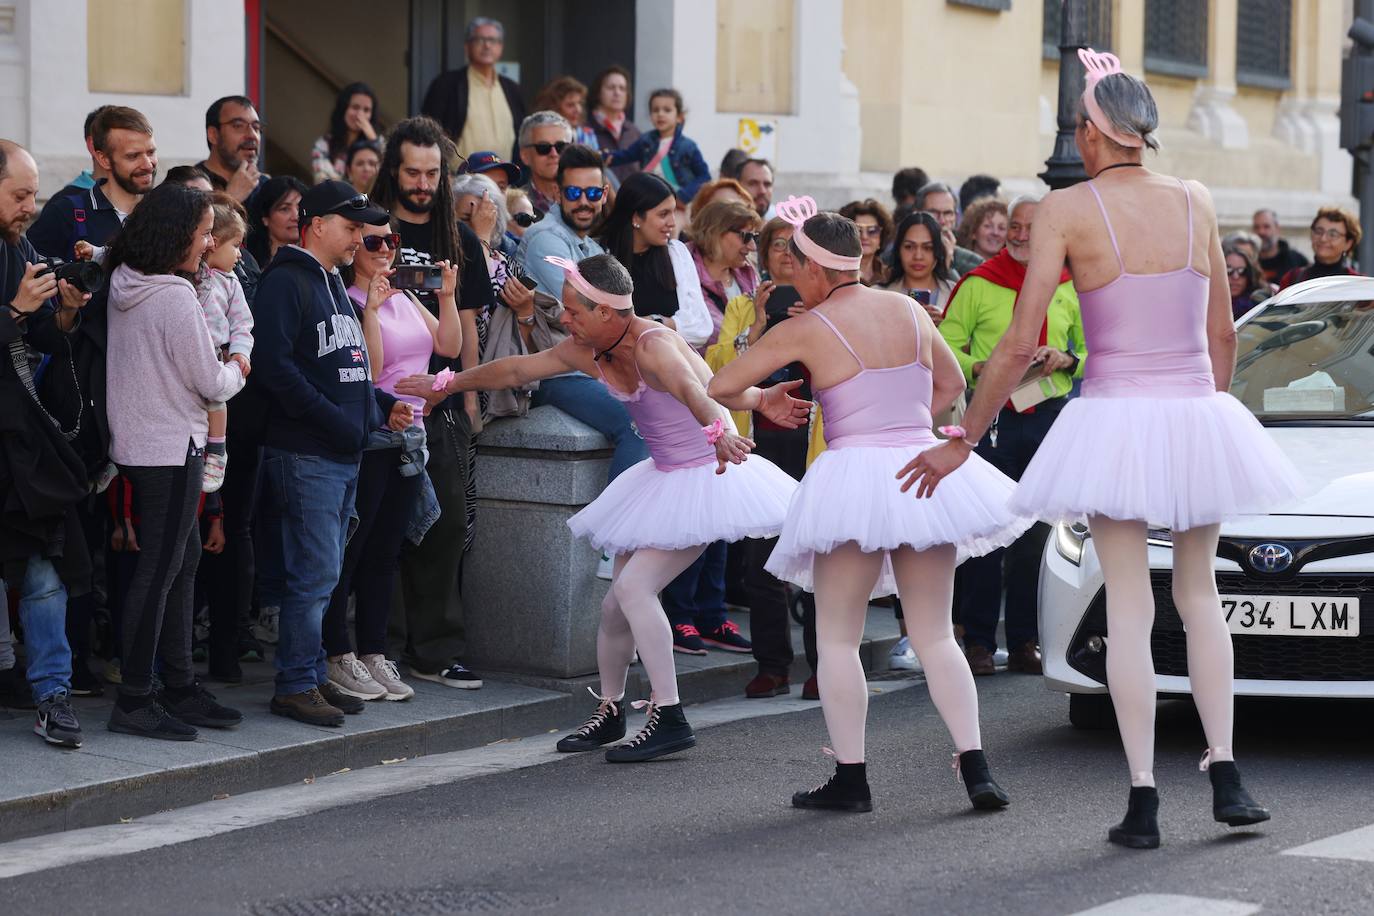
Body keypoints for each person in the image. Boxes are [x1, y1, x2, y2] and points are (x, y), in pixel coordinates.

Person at [899, 49, 1305, 848]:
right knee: (1200, 595)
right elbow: (1221, 331)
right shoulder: (1196, 198)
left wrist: (962, 438)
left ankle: (1145, 795)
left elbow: (1019, 343)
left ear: (1091, 131)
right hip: (1193, 408)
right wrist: (1204, 415)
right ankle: (1225, 769)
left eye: (1078, 129)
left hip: (1117, 415)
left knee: (1129, 600)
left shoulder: (1067, 211)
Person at [398, 253, 804, 761]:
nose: (563, 319)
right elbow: (520, 368)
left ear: (607, 313)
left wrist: (719, 430)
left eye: (572, 311)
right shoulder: (587, 348)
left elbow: (692, 387)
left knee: (634, 589)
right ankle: (610, 712)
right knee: (614, 605)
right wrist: (447, 385)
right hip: (662, 477)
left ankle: (670, 714)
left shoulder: (653, 345)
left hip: (705, 478)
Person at [708, 198, 1025, 814]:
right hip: (918, 470)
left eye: (797, 265)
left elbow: (719, 385)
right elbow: (953, 384)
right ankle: (976, 767)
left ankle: (852, 778)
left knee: (839, 639)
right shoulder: (907, 308)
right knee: (936, 635)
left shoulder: (803, 326)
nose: (792, 275)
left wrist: (767, 399)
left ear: (821, 270)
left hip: (852, 476)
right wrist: (907, 425)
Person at [104, 182, 248, 740]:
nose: (209, 240)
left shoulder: (125, 279)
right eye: (203, 232)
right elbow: (211, 380)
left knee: (180, 561)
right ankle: (137, 698)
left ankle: (179, 685)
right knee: (161, 570)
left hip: (144, 443)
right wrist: (238, 364)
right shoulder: (172, 295)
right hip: (171, 446)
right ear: (178, 236)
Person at [252, 179, 397, 726]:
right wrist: (339, 421)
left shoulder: (333, 281)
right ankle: (293, 684)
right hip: (307, 451)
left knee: (326, 573)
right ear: (316, 224)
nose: (359, 237)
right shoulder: (286, 281)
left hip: (339, 448)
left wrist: (380, 405)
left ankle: (311, 676)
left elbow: (346, 367)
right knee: (311, 576)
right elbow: (275, 368)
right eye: (352, 227)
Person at [937, 194, 1085, 677]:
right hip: (992, 415)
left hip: (1047, 414)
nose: (1022, 235)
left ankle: (1024, 640)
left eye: (1031, 227)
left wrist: (1067, 359)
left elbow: (1088, 347)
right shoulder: (978, 283)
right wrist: (980, 365)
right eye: (1016, 227)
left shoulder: (1069, 285)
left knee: (1038, 534)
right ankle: (978, 641)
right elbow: (945, 347)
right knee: (987, 529)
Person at [371, 116, 494, 689]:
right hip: (374, 403)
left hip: (442, 405)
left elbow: (467, 323)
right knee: (380, 529)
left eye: (431, 173)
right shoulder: (370, 230)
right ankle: (380, 647)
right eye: (412, 172)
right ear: (393, 170)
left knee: (442, 528)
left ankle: (436, 649)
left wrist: (469, 393)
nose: (421, 183)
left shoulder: (461, 238)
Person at [322, 221, 461, 702]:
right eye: (375, 242)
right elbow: (373, 371)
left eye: (392, 242)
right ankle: (337, 653)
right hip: (374, 436)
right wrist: (374, 311)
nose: (385, 250)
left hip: (412, 437)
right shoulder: (348, 300)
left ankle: (373, 652)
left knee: (386, 553)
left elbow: (449, 347)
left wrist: (445, 295)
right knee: (352, 550)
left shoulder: (403, 294)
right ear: (353, 246)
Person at [0, 140, 92, 748]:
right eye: (20, 195)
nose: (32, 206)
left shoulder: (20, 247)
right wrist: (13, 309)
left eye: (35, 194)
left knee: (42, 572)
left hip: (20, 446)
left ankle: (52, 696)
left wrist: (61, 314)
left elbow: (43, 341)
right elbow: (14, 322)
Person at [704, 214, 820, 699]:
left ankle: (825, 667)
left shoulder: (830, 310)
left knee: (819, 556)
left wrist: (809, 329)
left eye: (796, 249)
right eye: (777, 247)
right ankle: (773, 665)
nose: (785, 256)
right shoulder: (739, 308)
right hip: (759, 445)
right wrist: (761, 327)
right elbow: (717, 374)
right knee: (761, 562)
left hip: (814, 448)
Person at [516, 144, 652, 486]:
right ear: (557, 193)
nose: (584, 202)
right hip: (553, 371)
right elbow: (598, 317)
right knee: (637, 423)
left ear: (605, 194)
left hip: (591, 367)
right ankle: (618, 533)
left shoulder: (591, 247)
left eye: (593, 192)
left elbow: (615, 318)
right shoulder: (546, 241)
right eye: (574, 192)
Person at [597, 172, 712, 347]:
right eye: (663, 214)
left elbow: (702, 328)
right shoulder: (601, 256)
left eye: (673, 212)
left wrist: (654, 322)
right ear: (636, 218)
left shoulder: (676, 254)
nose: (672, 223)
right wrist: (671, 326)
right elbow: (604, 330)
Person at [30, 106, 157, 263]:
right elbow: (28, 273)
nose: (148, 164)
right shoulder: (65, 213)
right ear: (103, 159)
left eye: (151, 152)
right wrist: (62, 286)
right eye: (133, 156)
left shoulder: (167, 211)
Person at [193, 193, 255, 495]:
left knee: (217, 402)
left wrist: (241, 353)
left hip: (216, 357)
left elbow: (243, 324)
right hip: (184, 355)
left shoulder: (231, 283)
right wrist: (96, 252)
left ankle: (217, 453)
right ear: (213, 242)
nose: (240, 255)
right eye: (236, 245)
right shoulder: (190, 271)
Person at [421, 16, 526, 159]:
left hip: (504, 177)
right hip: (460, 177)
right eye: (480, 39)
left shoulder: (512, 89)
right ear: (467, 46)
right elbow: (428, 133)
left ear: (500, 48)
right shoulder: (446, 84)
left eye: (493, 40)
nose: (487, 45)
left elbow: (522, 136)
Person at [605, 89, 711, 205]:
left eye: (667, 110)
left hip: (678, 202)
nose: (660, 114)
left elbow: (704, 176)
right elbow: (625, 155)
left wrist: (684, 195)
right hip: (650, 199)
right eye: (655, 110)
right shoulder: (645, 141)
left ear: (679, 117)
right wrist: (604, 157)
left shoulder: (689, 147)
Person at [885, 211, 957, 321]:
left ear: (938, 251)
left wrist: (948, 324)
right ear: (898, 250)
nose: (918, 256)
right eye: (909, 247)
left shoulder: (958, 294)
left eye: (927, 248)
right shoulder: (878, 294)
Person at [198, 96, 268, 205]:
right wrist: (231, 198)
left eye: (256, 127)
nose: (252, 135)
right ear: (213, 135)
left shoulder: (267, 188)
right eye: (238, 126)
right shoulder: (187, 187)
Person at [312, 82, 383, 185]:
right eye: (355, 107)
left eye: (366, 110)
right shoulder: (324, 143)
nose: (360, 115)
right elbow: (323, 182)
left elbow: (387, 177)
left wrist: (373, 141)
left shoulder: (378, 143)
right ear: (343, 109)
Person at [1278, 206, 1362, 289]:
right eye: (1319, 231)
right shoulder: (1292, 279)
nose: (1323, 239)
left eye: (1333, 234)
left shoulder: (1359, 285)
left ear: (1348, 243)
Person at [587, 65, 642, 183]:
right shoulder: (585, 130)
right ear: (598, 92)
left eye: (622, 88)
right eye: (611, 87)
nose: (617, 93)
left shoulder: (634, 132)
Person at [915, 181, 982, 276]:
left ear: (956, 217)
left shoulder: (974, 264)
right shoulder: (898, 257)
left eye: (947, 213)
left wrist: (947, 266)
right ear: (917, 213)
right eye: (933, 212)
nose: (941, 220)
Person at [517, 111, 574, 215]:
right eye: (543, 147)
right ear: (525, 156)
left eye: (561, 147)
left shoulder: (591, 196)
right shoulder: (515, 206)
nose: (554, 154)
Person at [245, 176, 306, 268]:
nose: (296, 216)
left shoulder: (315, 262)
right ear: (265, 218)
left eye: (300, 208)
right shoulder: (248, 264)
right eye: (285, 209)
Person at [837, 199, 894, 287]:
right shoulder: (835, 275)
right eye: (857, 230)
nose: (864, 236)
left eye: (872, 230)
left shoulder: (890, 276)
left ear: (882, 236)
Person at [534, 75, 599, 148]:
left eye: (580, 103)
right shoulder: (542, 137)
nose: (578, 110)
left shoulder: (588, 135)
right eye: (570, 105)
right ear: (554, 108)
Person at [1252, 208, 1308, 284]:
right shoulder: (1248, 261)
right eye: (1256, 227)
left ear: (1277, 229)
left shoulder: (1296, 260)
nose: (1261, 232)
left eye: (1266, 226)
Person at [1224, 242, 1268, 319]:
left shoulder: (1262, 304)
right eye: (1229, 270)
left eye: (1242, 271)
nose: (1235, 277)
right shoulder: (1206, 304)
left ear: (1250, 274)